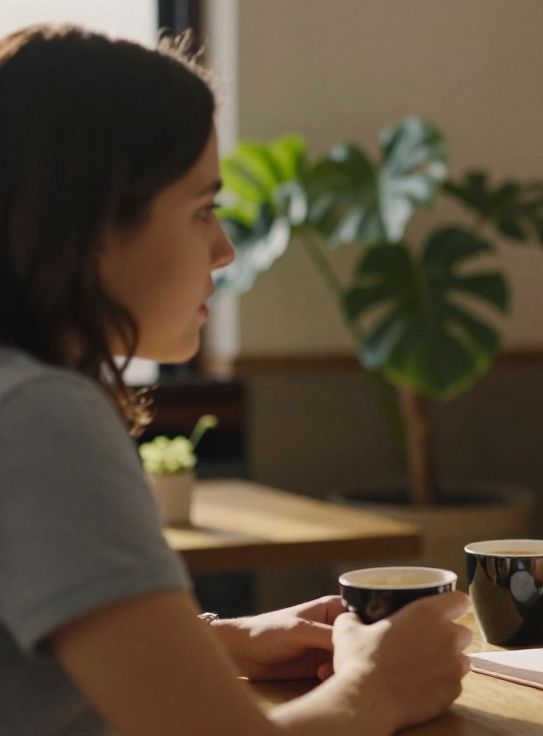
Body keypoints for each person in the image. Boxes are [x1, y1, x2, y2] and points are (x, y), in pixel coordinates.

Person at [0, 25, 470, 736]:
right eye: (200, 210)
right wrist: (379, 687)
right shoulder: (39, 416)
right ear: (90, 228)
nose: (223, 251)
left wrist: (220, 641)